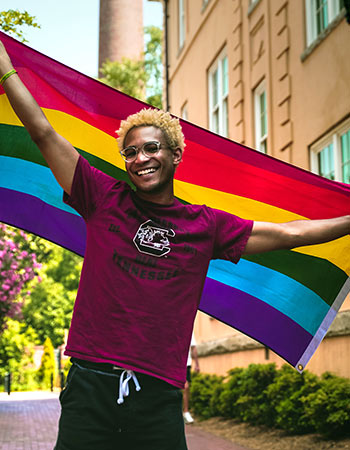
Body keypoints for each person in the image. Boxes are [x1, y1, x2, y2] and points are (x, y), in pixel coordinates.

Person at [1, 41, 349, 450]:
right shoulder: (102, 197)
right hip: (90, 387)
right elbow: (42, 132)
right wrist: (6, 68)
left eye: (151, 147)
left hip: (158, 395)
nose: (140, 158)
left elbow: (291, 234)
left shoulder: (205, 225)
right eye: (130, 152)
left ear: (175, 154)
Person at [183, 333, 200, 424]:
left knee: (186, 387)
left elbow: (193, 347)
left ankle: (186, 412)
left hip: (186, 364)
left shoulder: (188, 329)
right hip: (173, 364)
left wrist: (197, 364)